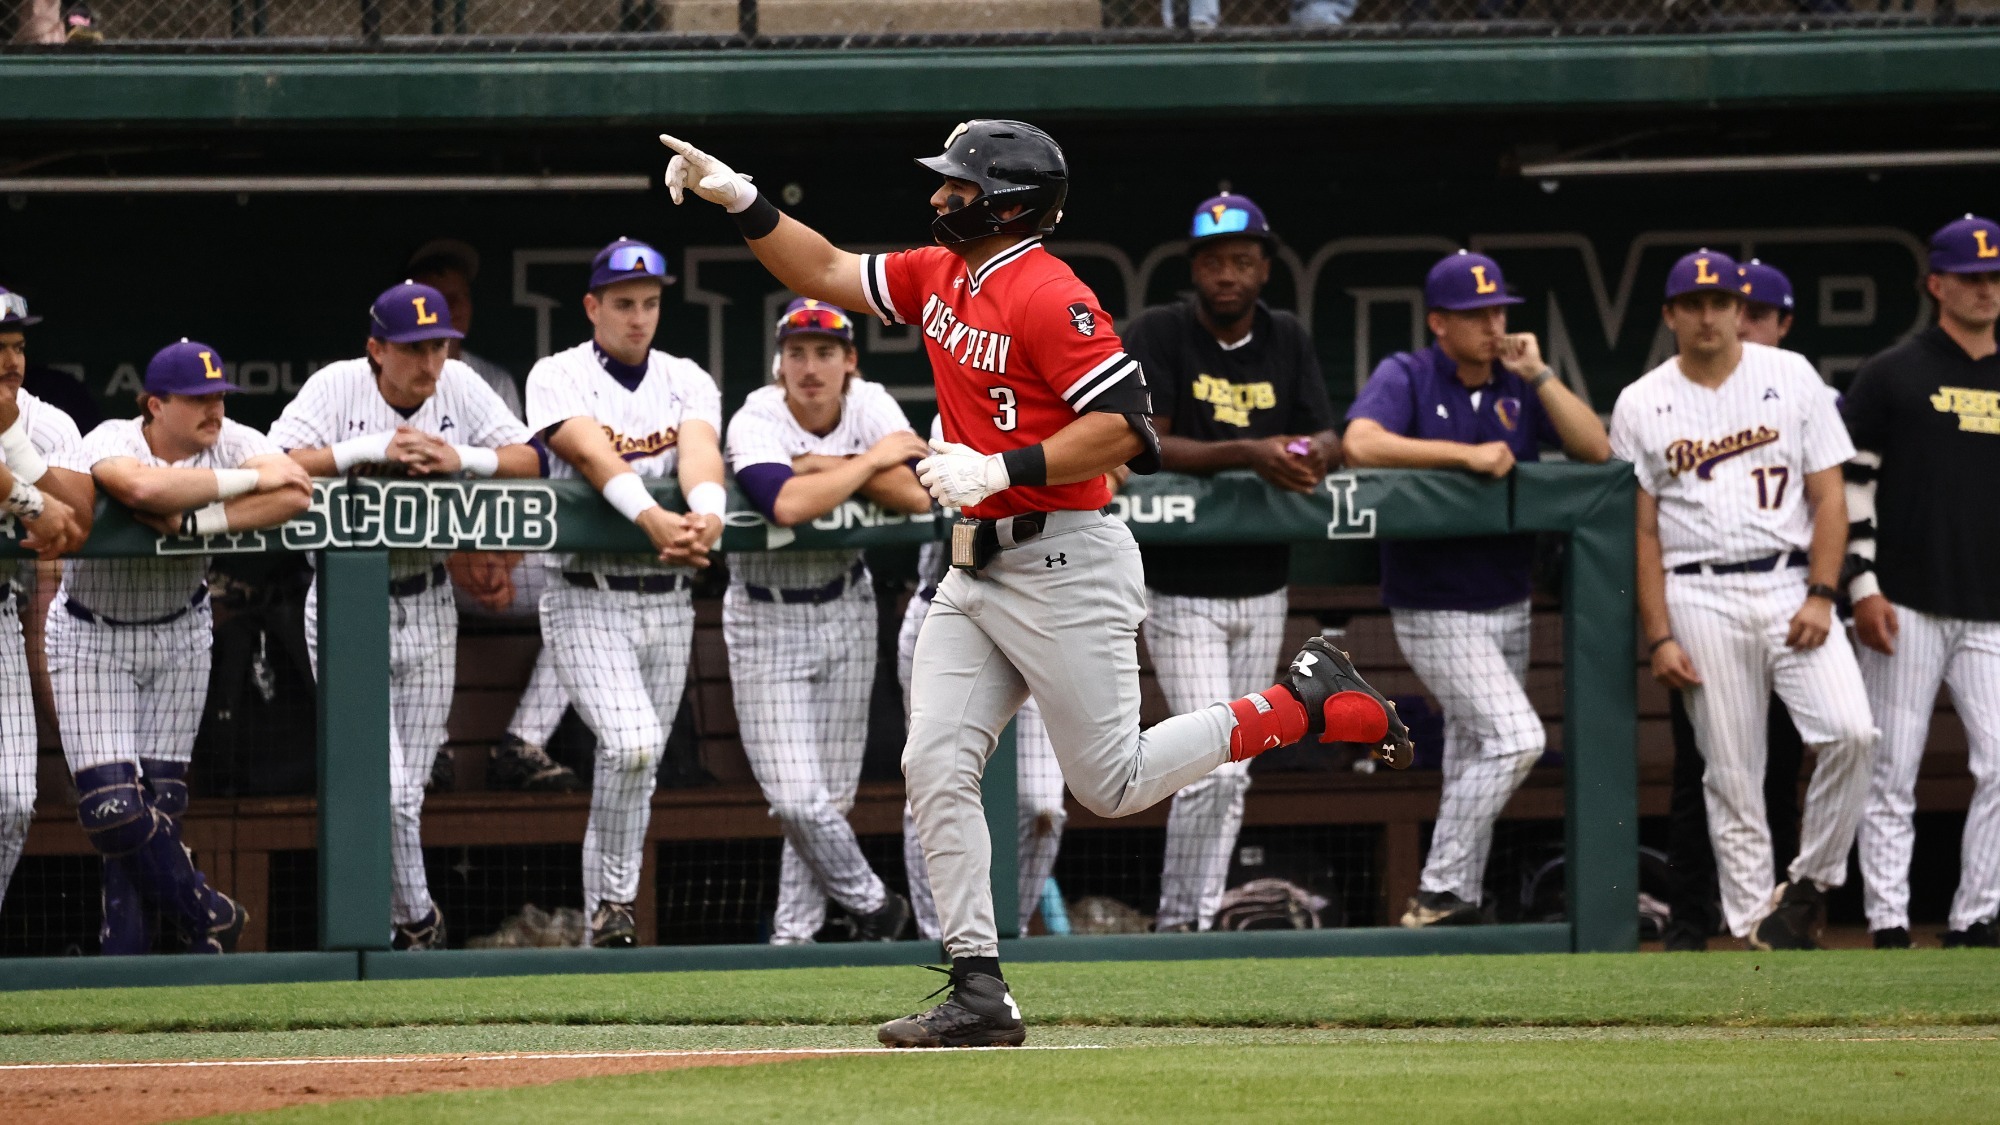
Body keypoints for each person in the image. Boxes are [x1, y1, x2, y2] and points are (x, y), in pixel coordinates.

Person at [661, 120, 1411, 1048]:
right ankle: (976, 984)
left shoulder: (1051, 294)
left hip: (1066, 557)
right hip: (975, 571)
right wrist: (742, 198)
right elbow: (824, 270)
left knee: (1113, 781)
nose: (939, 198)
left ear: (1010, 203)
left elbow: (1129, 426)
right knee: (933, 763)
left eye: (959, 187)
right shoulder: (942, 273)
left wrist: (1000, 464)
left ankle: (1300, 703)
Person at [1610, 248, 1878, 951]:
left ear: (1739, 308)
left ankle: (1811, 881)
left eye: (1722, 301)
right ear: (1670, 314)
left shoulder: (1790, 376)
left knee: (1853, 732)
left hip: (1791, 581)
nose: (1709, 314)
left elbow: (1830, 498)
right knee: (1731, 773)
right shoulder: (1641, 401)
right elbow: (1641, 530)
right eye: (1693, 303)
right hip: (1698, 588)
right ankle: (1763, 929)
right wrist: (1659, 633)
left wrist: (1824, 593)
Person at [1344, 250, 1611, 927]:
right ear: (1439, 322)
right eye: (1476, 314)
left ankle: (1454, 901)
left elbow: (1596, 450)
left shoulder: (1518, 383)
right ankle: (1439, 886)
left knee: (1475, 747)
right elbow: (1361, 442)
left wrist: (1541, 372)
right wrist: (1464, 457)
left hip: (1508, 598)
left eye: (1499, 311)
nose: (1493, 324)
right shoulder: (1407, 373)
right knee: (1516, 739)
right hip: (1434, 603)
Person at [269, 282, 539, 951]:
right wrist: (362, 452)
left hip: (428, 597)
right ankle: (420, 919)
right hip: (346, 598)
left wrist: (462, 458)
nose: (429, 361)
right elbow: (271, 465)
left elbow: (531, 460)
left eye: (439, 345)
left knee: (407, 793)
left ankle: (401, 932)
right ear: (376, 349)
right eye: (414, 348)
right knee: (387, 788)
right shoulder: (337, 387)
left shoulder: (463, 386)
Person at [47, 339, 310, 953]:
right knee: (114, 807)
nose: (214, 410)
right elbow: (140, 492)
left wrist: (201, 522)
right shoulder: (111, 437)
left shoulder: (234, 439)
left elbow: (297, 491)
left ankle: (128, 966)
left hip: (180, 630)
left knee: (162, 804)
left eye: (219, 396)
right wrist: (246, 483)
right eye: (198, 399)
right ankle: (205, 912)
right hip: (93, 635)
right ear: (155, 405)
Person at [1121, 192, 1339, 933]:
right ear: (1195, 267)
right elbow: (1148, 444)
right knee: (1218, 762)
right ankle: (1181, 921)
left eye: (1242, 260)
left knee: (1235, 766)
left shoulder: (1287, 337)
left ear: (1264, 268)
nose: (1227, 274)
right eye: (1214, 260)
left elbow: (1325, 433)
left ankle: (1194, 915)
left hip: (1264, 585)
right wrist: (1250, 451)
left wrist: (1311, 454)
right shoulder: (1163, 330)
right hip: (1183, 589)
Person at [524, 238, 727, 949]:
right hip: (586, 592)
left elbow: (701, 449)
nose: (638, 317)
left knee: (633, 765)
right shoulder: (557, 372)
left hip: (668, 598)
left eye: (649, 302)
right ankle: (613, 899)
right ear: (593, 305)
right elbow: (586, 449)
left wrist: (708, 514)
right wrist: (650, 515)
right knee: (635, 744)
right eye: (622, 303)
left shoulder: (685, 376)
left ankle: (606, 919)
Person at [725, 298, 931, 944]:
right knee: (796, 798)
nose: (810, 367)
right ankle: (877, 905)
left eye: (824, 353)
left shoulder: (868, 404)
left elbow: (919, 492)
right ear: (779, 364)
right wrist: (868, 464)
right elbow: (784, 501)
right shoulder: (757, 413)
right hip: (765, 613)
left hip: (846, 602)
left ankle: (795, 938)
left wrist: (822, 467)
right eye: (797, 353)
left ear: (849, 362)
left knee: (830, 798)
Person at [1847, 215, 2000, 950]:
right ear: (1934, 283)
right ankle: (1888, 921)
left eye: (1994, 276)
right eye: (1970, 278)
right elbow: (1848, 487)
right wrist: (1861, 583)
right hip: (1902, 598)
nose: (1985, 288)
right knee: (1890, 770)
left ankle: (1977, 916)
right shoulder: (1891, 372)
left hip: (1991, 607)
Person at [1660, 257, 1810, 952]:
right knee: (1703, 770)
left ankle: (1782, 919)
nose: (1737, 323)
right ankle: (1691, 921)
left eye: (1755, 312)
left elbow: (1838, 506)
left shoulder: (1802, 393)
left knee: (1782, 769)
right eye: (1728, 309)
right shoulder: (1678, 398)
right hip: (1705, 605)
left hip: (1790, 605)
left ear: (1782, 323)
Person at [405, 239, 580, 795]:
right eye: (438, 298)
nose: (452, 311)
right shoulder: (373, 383)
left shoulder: (488, 379)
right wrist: (456, 556)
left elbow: (520, 473)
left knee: (584, 597)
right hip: (421, 566)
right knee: (373, 590)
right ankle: (426, 749)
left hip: (488, 558)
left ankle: (522, 743)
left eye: (460, 299)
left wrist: (503, 554)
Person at [899, 414, 1071, 944]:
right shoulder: (957, 409)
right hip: (951, 616)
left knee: (1044, 807)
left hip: (1038, 618)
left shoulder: (1059, 408)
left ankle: (1007, 930)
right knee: (937, 781)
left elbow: (1112, 460)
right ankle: (945, 935)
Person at [0, 285, 93, 917]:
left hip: (3, 615)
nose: (11, 360)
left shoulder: (46, 420)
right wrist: (33, 499)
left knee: (10, 800)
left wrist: (12, 435)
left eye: (17, 345)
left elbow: (81, 517)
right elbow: (50, 512)